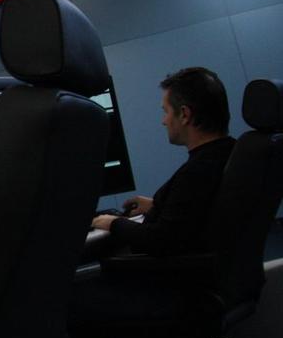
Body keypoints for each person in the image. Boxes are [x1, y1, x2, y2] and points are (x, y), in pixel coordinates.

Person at [91, 67, 236, 256]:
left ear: (184, 114)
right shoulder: (230, 153)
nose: (164, 121)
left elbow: (160, 240)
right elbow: (202, 211)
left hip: (179, 270)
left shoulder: (197, 171)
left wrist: (113, 223)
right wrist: (159, 205)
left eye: (166, 111)